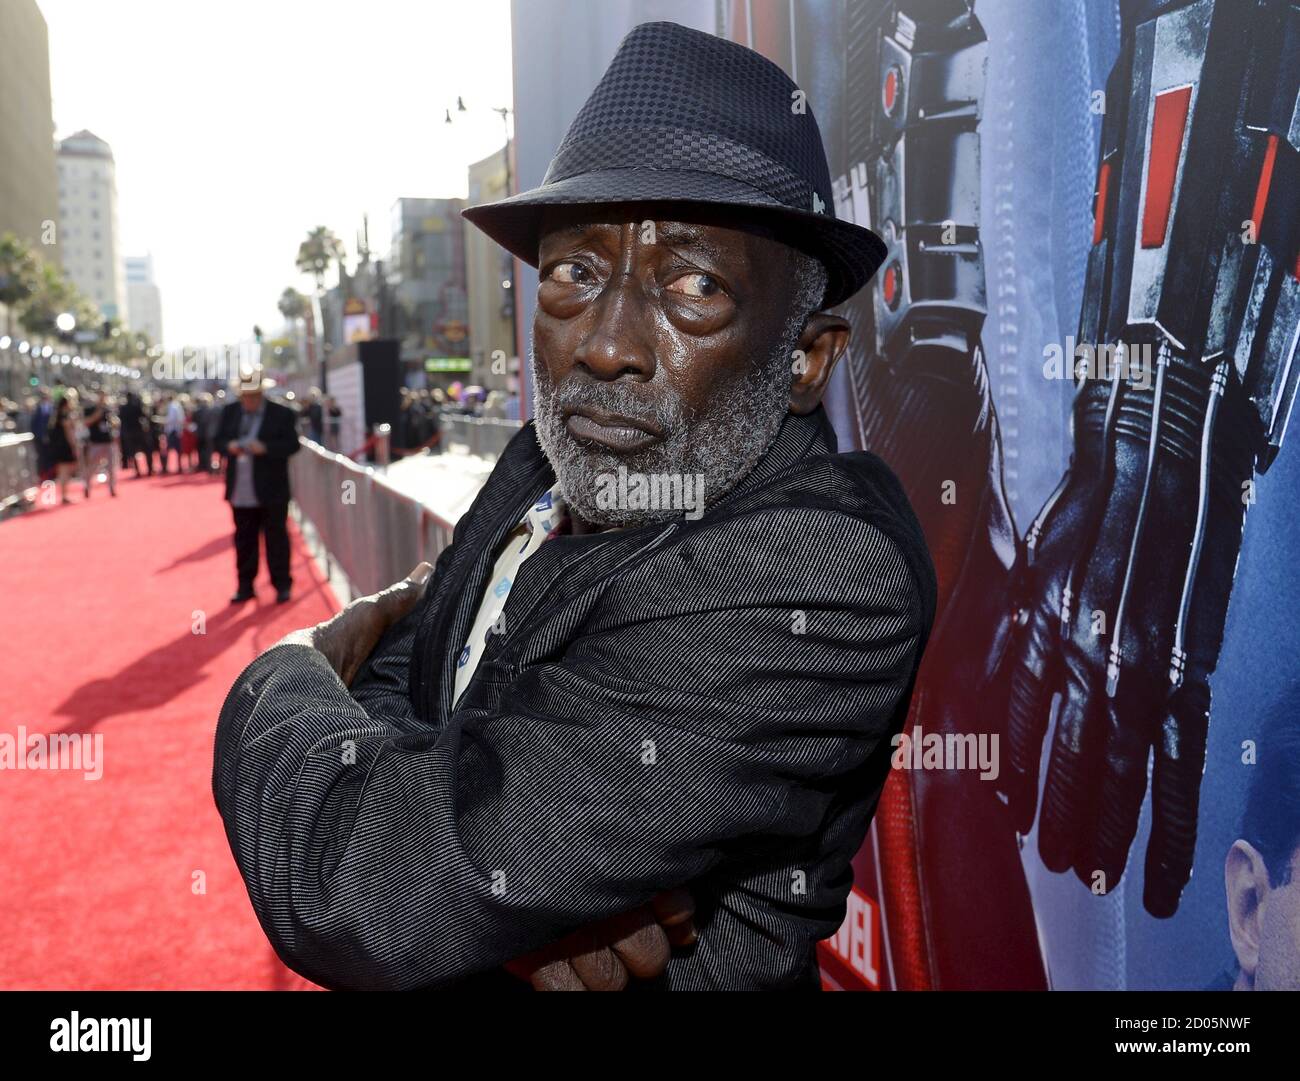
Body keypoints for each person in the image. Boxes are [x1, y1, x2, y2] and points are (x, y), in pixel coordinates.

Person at [213, 22, 935, 991]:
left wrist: (283, 670)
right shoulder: (551, 453)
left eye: (693, 287)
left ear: (806, 359)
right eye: (573, 273)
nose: (603, 346)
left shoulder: (818, 570)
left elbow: (356, 881)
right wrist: (494, 872)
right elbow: (412, 672)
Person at [216, 372, 300, 604]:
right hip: (240, 490)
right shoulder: (229, 412)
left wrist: (266, 448)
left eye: (253, 395)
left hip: (272, 489)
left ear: (261, 393)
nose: (249, 400)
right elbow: (218, 441)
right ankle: (245, 586)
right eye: (245, 396)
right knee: (244, 540)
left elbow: (292, 445)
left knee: (277, 539)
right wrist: (229, 446)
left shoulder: (281, 413)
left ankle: (282, 584)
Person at [46, 390, 81, 505]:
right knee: (65, 471)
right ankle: (64, 495)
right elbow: (68, 433)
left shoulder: (57, 415)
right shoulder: (64, 415)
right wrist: (74, 446)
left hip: (58, 446)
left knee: (63, 471)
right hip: (64, 446)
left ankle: (64, 494)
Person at [82, 389, 118, 497]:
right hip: (95, 442)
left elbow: (114, 422)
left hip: (108, 441)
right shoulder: (90, 409)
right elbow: (86, 422)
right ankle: (87, 487)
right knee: (92, 466)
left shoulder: (108, 410)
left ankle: (112, 487)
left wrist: (114, 422)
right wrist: (98, 413)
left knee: (111, 467)